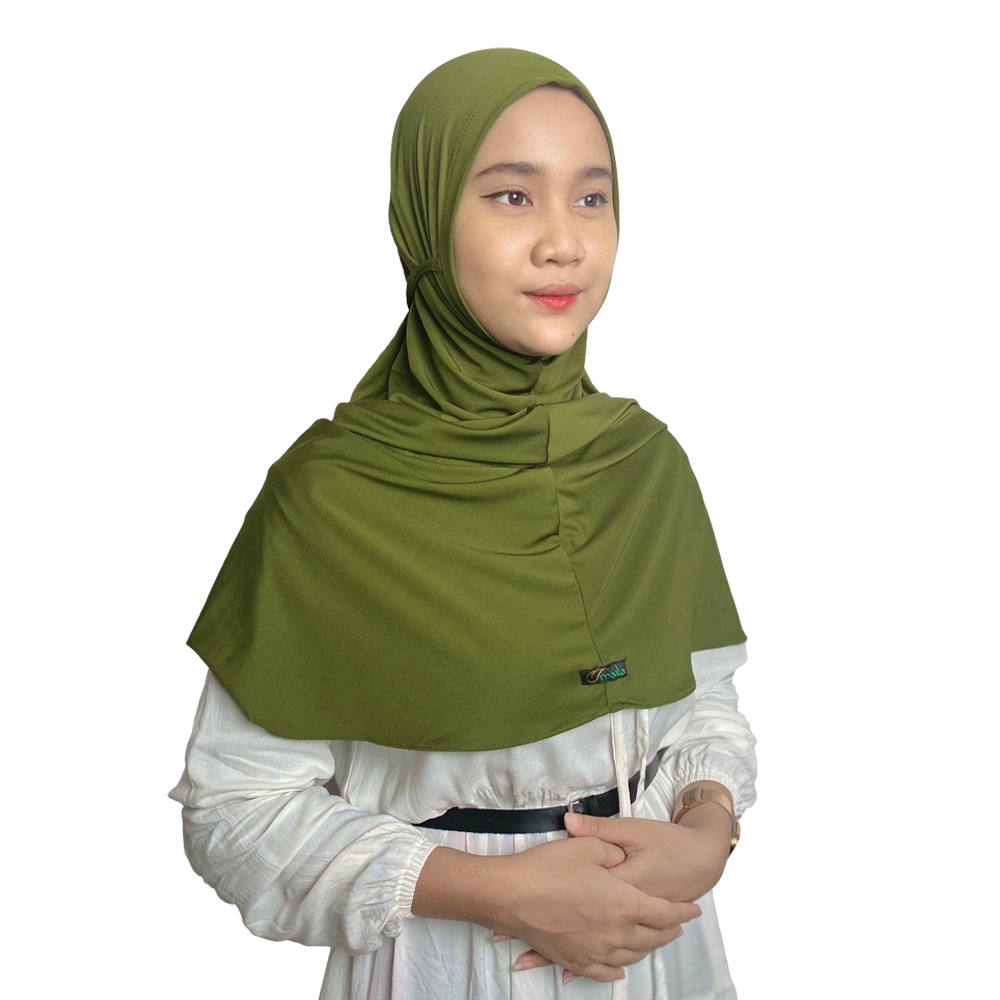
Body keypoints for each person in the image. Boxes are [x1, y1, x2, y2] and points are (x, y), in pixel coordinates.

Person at [170, 48, 756, 1000]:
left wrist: (706, 827)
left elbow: (699, 707)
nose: (564, 243)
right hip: (444, 961)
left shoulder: (643, 465)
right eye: (512, 197)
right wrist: (499, 893)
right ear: (427, 220)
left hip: (656, 949)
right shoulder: (334, 496)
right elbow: (237, 810)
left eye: (592, 198)